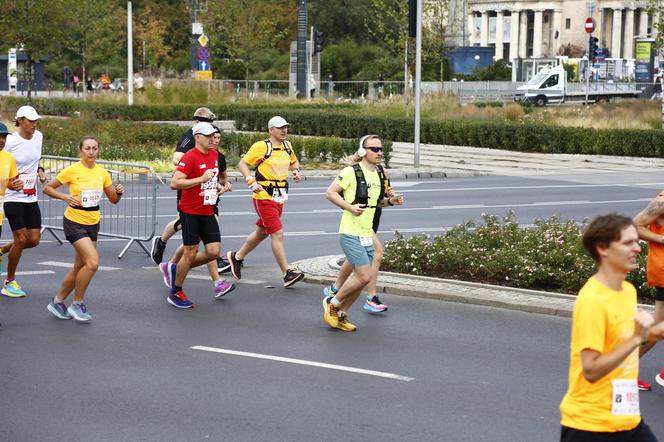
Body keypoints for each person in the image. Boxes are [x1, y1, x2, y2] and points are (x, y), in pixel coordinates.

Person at [559, 214, 664, 441]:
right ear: (602, 248)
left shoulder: (627, 291)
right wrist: (637, 339)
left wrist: (653, 332)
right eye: (628, 243)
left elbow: (624, 347)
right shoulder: (593, 300)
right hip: (590, 427)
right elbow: (591, 370)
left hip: (627, 421)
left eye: (637, 241)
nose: (637, 248)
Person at [323, 135, 404, 331]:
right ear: (363, 151)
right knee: (364, 277)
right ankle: (332, 303)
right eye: (374, 149)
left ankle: (341, 315)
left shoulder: (378, 174)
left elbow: (376, 204)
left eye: (380, 149)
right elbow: (330, 193)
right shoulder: (351, 172)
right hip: (350, 232)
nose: (379, 153)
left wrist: (391, 202)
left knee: (360, 282)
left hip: (367, 232)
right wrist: (349, 207)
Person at [42, 137, 124, 322]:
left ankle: (57, 301)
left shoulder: (102, 173)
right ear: (81, 151)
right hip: (74, 221)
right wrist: (65, 197)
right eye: (87, 148)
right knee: (93, 263)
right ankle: (77, 303)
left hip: (93, 222)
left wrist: (118, 192)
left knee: (80, 266)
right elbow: (47, 188)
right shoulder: (72, 170)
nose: (91, 152)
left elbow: (113, 199)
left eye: (94, 148)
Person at [226, 116, 304, 288]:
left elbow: (294, 161)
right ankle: (286, 273)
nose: (284, 130)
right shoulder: (262, 146)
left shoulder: (287, 145)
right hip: (263, 196)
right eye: (280, 128)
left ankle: (236, 257)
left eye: (285, 127)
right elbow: (243, 163)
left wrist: (296, 170)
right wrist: (250, 181)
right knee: (277, 233)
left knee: (262, 232)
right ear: (271, 130)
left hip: (280, 196)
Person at [150, 107, 230, 274]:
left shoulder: (213, 148)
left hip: (207, 189)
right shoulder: (189, 136)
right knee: (188, 223)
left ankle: (205, 260)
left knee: (199, 223)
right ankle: (168, 249)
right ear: (196, 122)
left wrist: (222, 182)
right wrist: (193, 162)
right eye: (207, 123)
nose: (212, 133)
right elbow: (176, 158)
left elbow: (221, 169)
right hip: (191, 183)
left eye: (212, 124)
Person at [159, 126, 235, 300]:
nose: (212, 138)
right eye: (208, 136)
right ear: (198, 137)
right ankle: (176, 292)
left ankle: (175, 269)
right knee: (190, 253)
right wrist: (201, 179)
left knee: (214, 251)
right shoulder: (190, 156)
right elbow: (175, 183)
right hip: (190, 211)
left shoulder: (214, 155)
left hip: (208, 209)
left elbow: (211, 179)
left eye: (213, 135)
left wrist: (217, 187)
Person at [1, 105, 46, 298]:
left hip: (31, 196)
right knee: (20, 239)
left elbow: (35, 160)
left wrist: (40, 170)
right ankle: (9, 281)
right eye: (30, 121)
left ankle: (2, 250)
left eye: (36, 120)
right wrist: (11, 182)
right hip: (12, 197)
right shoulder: (9, 141)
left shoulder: (39, 136)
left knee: (33, 240)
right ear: (19, 120)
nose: (34, 124)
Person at [633, 193, 664, 389]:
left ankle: (621, 368)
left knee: (658, 326)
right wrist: (661, 238)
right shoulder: (661, 202)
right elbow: (635, 226)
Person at [0, 122, 24, 327]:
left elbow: (10, 180)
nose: (1, 140)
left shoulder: (8, 158)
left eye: (4, 137)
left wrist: (14, 184)